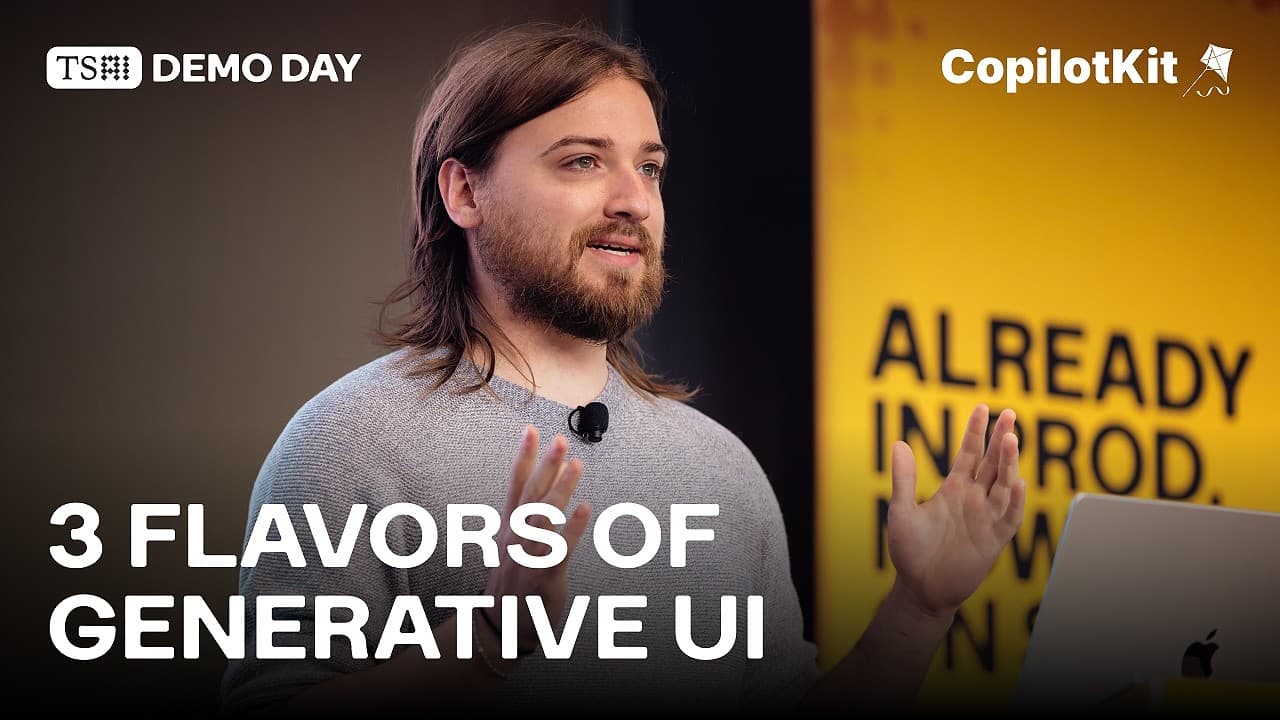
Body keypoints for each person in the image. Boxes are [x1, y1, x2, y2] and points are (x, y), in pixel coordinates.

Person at [221, 22, 1026, 714]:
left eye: (649, 167)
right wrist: (490, 640)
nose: (634, 201)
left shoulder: (721, 469)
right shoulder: (351, 442)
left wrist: (916, 612)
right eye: (581, 162)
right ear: (465, 191)